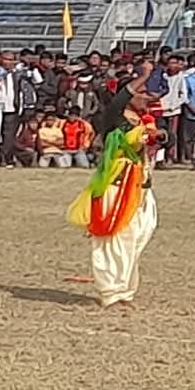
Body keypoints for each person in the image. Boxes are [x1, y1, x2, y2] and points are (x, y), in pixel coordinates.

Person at [68, 91, 157, 313]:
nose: (149, 98)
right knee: (115, 241)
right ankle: (111, 293)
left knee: (137, 240)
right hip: (117, 190)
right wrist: (141, 76)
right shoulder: (114, 122)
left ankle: (126, 290)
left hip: (142, 191)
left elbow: (159, 138)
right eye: (143, 93)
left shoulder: (145, 122)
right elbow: (117, 106)